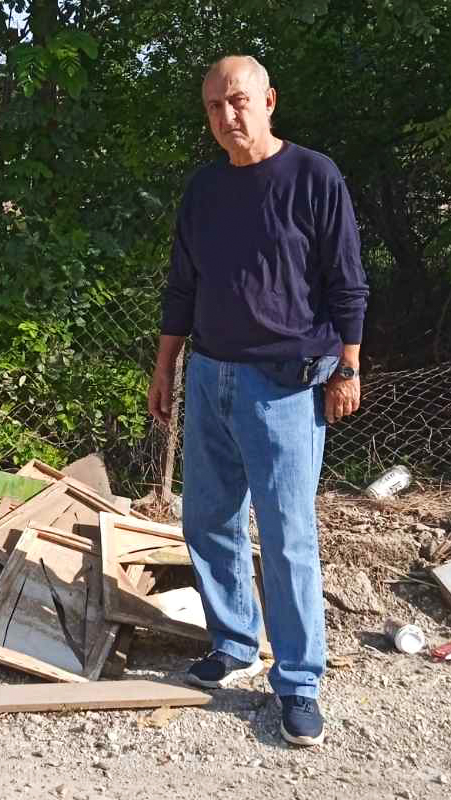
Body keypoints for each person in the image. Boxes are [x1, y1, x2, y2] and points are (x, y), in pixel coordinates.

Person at [147, 55, 369, 747]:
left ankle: (299, 682)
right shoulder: (204, 189)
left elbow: (348, 281)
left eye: (238, 101)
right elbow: (182, 284)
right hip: (210, 374)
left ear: (269, 100)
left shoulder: (313, 177)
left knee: (287, 535)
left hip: (285, 385)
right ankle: (235, 642)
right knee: (207, 520)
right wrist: (165, 366)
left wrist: (349, 368)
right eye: (214, 107)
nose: (226, 116)